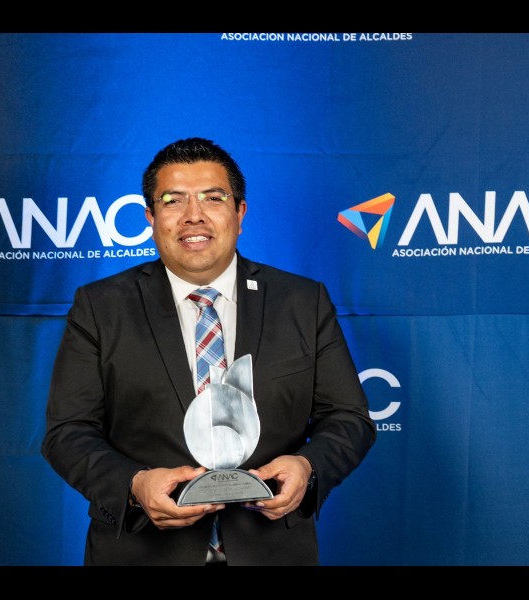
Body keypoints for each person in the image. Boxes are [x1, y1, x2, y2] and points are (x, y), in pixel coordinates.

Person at [41, 137, 376, 566]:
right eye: (173, 200)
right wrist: (134, 485)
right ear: (150, 217)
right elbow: (68, 431)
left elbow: (349, 418)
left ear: (240, 213)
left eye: (213, 198)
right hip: (141, 553)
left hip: (274, 552)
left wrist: (307, 468)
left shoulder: (302, 301)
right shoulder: (100, 306)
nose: (193, 215)